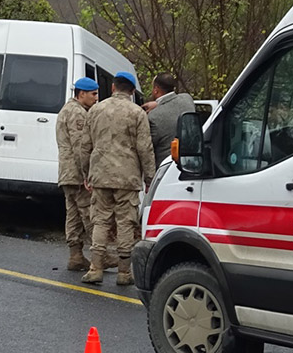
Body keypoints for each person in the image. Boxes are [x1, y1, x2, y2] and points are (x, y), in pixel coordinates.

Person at [81, 71, 155, 286]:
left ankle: (96, 268)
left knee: (100, 220)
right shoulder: (137, 114)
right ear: (132, 91)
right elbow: (145, 148)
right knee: (125, 222)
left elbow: (85, 146)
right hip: (127, 177)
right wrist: (149, 177)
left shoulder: (95, 110)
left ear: (113, 87)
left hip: (100, 175)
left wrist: (87, 173)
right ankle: (124, 272)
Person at [56, 77, 98, 271]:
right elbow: (80, 147)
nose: (96, 98)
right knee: (89, 214)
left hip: (66, 173)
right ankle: (100, 255)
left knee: (72, 214)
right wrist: (87, 174)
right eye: (93, 94)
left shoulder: (66, 109)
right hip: (77, 173)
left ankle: (76, 255)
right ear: (82, 94)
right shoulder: (77, 113)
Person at [146, 72, 196, 165]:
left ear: (156, 90)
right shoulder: (187, 99)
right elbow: (172, 103)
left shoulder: (153, 117)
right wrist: (159, 104)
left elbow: (148, 147)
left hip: (167, 167)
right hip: (190, 162)